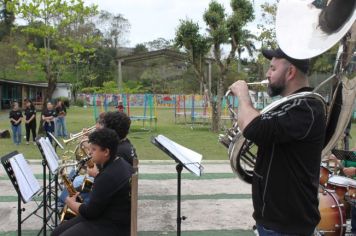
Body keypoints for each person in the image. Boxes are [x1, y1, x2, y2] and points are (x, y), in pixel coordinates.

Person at [229, 47, 326, 235]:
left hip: (288, 226)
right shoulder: (289, 105)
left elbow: (254, 127)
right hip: (272, 221)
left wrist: (243, 96)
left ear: (290, 72)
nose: (267, 74)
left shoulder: (306, 108)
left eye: (273, 69)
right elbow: (263, 131)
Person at [52, 128, 133, 236]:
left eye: (94, 149)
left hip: (111, 225)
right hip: (110, 216)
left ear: (106, 152)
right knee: (56, 232)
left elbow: (90, 213)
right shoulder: (121, 163)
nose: (89, 152)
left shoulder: (106, 176)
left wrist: (71, 203)